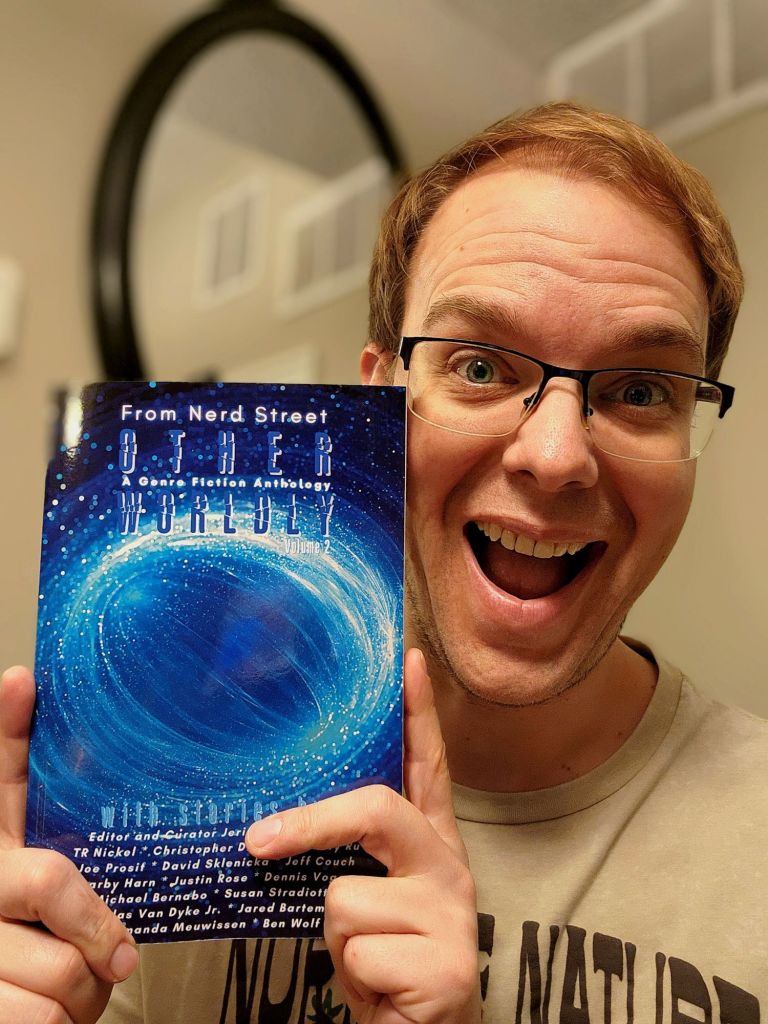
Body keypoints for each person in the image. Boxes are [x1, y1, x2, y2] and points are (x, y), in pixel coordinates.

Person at [0, 101, 765, 1023]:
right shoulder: (162, 791)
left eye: (642, 389)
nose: (557, 455)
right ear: (378, 403)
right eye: (479, 367)